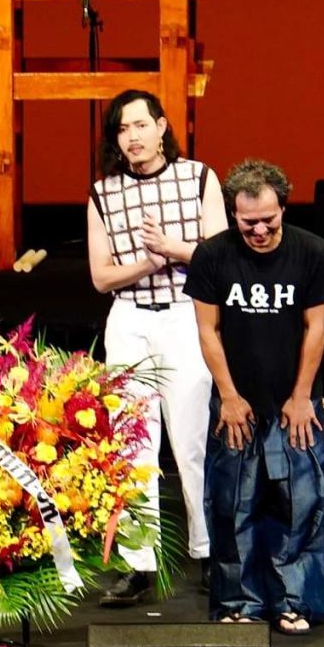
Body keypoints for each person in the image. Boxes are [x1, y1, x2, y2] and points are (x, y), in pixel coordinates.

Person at [187, 158, 324, 634]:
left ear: (283, 209)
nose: (258, 230)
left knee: (301, 503)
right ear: (234, 215)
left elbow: (316, 329)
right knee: (232, 503)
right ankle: (239, 602)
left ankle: (294, 602)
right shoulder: (212, 256)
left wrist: (301, 396)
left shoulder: (312, 252)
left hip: (294, 400)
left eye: (268, 220)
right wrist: (228, 396)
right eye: (248, 221)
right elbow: (208, 331)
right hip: (236, 399)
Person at [85, 89, 223, 604]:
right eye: (122, 130)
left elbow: (221, 255)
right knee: (133, 444)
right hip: (129, 319)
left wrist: (173, 249)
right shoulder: (104, 193)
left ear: (162, 127)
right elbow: (102, 277)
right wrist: (149, 262)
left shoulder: (199, 177)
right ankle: (138, 563)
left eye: (141, 125)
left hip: (185, 315)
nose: (133, 137)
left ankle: (208, 552)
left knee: (191, 439)